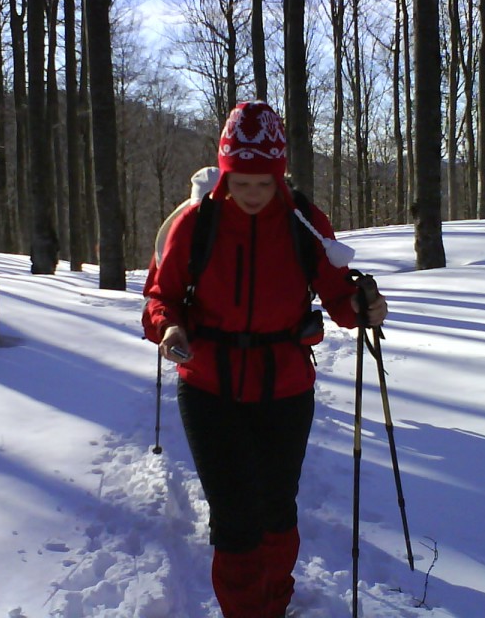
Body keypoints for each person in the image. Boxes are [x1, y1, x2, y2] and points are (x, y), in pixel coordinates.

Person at [142, 101, 387, 618]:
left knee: (277, 510)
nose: (252, 195)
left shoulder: (303, 221)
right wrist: (168, 327)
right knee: (235, 518)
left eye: (263, 184)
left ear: (280, 178)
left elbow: (336, 290)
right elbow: (158, 295)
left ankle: (273, 603)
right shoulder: (195, 222)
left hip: (285, 384)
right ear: (225, 175)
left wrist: (362, 305)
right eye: (241, 183)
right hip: (208, 382)